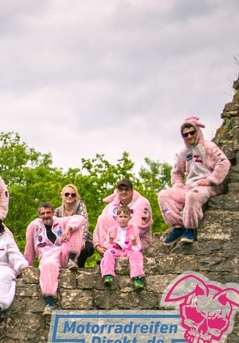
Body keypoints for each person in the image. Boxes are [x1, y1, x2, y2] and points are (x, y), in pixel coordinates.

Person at [158, 117, 231, 245]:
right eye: (186, 134)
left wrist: (211, 180)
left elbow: (223, 163)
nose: (189, 136)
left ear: (197, 131)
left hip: (209, 185)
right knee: (164, 195)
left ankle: (190, 228)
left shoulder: (209, 147)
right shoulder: (184, 152)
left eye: (192, 132)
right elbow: (176, 172)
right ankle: (179, 226)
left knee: (192, 196)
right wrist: (178, 184)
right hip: (190, 185)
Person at [23, 201, 85, 311]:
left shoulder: (61, 221)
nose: (46, 216)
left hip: (63, 252)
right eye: (43, 214)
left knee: (76, 228)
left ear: (53, 213)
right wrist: (27, 265)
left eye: (48, 212)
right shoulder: (34, 226)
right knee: (47, 265)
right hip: (47, 255)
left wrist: (68, 229)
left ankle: (72, 260)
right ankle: (49, 303)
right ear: (39, 215)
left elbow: (80, 219)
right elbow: (29, 247)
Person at [94, 179, 153, 255]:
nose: (124, 192)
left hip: (136, 242)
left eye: (126, 189)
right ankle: (108, 252)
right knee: (103, 218)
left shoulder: (142, 204)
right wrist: (97, 245)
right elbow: (99, 226)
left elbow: (141, 225)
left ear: (132, 191)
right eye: (121, 190)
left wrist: (121, 242)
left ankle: (117, 252)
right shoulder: (112, 206)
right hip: (114, 242)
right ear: (117, 191)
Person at [98, 203, 146, 291]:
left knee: (137, 255)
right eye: (120, 216)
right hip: (117, 249)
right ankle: (108, 275)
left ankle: (137, 278)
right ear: (117, 218)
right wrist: (111, 240)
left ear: (129, 218)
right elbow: (108, 245)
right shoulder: (112, 229)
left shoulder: (134, 229)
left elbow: (137, 246)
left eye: (125, 216)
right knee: (108, 253)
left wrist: (134, 242)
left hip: (129, 250)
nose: (123, 219)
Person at [58, 185, 95, 269]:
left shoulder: (80, 205)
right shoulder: (58, 211)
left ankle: (80, 267)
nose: (69, 196)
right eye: (67, 194)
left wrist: (82, 240)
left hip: (82, 238)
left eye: (73, 194)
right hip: (65, 240)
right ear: (62, 195)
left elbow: (84, 224)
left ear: (76, 196)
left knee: (86, 248)